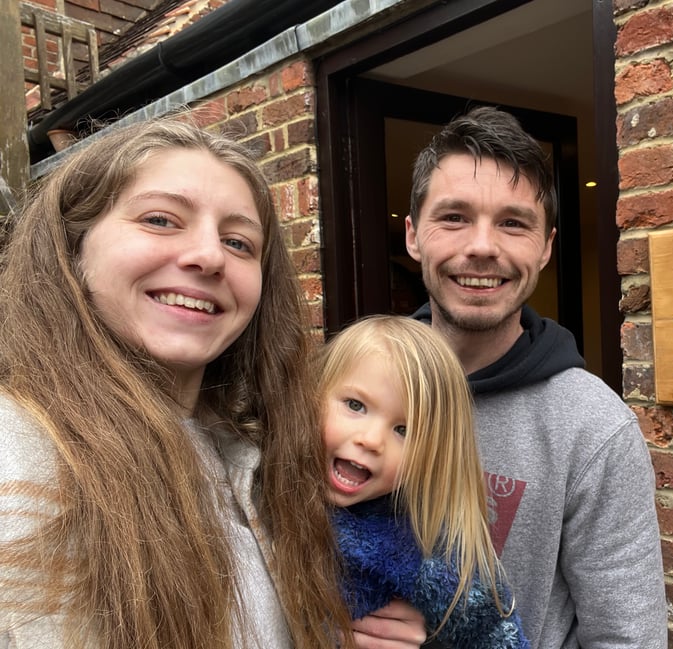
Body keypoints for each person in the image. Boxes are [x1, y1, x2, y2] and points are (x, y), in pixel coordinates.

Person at [0, 117, 422, 649]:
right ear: (71, 245)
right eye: (160, 219)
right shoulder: (15, 456)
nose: (209, 255)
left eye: (239, 242)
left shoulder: (259, 455)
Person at [405, 106, 667, 649]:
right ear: (413, 236)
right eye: (453, 217)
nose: (482, 246)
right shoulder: (349, 392)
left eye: (513, 222)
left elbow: (627, 638)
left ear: (545, 247)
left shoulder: (594, 429)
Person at [315, 315, 529, 649]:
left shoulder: (419, 551)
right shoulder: (257, 485)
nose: (371, 440)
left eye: (404, 430)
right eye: (355, 405)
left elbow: (494, 634)